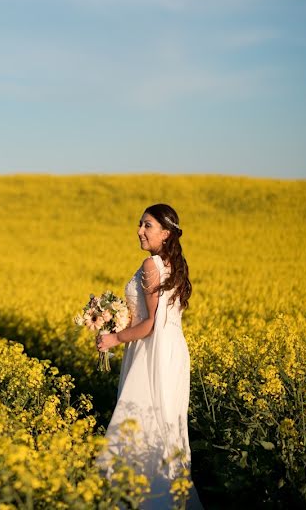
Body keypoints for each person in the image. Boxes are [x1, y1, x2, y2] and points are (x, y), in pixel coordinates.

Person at [96, 204, 203, 508]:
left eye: (148, 226)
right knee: (164, 428)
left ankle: (136, 500)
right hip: (171, 354)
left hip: (151, 354)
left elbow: (150, 324)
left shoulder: (151, 264)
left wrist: (113, 337)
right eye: (140, 224)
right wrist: (113, 317)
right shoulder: (174, 265)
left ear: (166, 233)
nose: (140, 231)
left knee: (137, 422)